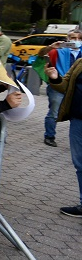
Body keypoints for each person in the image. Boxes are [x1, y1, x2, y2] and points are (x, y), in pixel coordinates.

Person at [44, 58, 82, 218]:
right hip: (78, 119)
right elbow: (65, 85)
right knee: (80, 163)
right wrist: (55, 77)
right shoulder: (80, 62)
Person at [38, 28, 82, 147]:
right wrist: (51, 47)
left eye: (79, 38)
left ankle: (77, 139)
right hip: (58, 85)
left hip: (77, 88)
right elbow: (40, 54)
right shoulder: (58, 51)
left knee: (77, 113)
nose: (77, 41)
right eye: (73, 38)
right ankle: (49, 136)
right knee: (54, 112)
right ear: (67, 39)